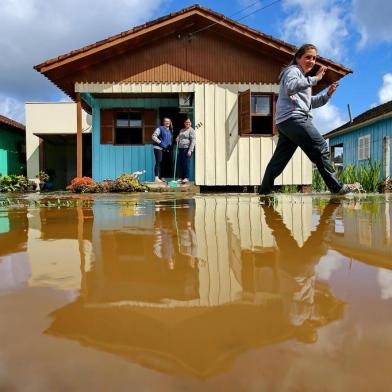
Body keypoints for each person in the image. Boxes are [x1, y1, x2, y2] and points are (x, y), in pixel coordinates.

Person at [259, 44, 360, 195]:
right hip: (294, 118)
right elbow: (290, 87)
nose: (311, 61)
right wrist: (316, 78)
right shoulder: (293, 71)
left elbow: (309, 103)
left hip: (286, 122)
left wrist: (327, 95)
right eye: (308, 57)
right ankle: (337, 187)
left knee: (279, 160)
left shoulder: (303, 77)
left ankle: (265, 191)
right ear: (298, 58)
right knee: (321, 147)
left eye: (314, 58)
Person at [152, 117, 173, 183]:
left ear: (170, 123)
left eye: (168, 121)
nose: (167, 123)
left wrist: (169, 146)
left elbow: (168, 140)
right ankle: (156, 178)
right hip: (158, 148)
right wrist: (160, 142)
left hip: (165, 149)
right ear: (163, 122)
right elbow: (153, 136)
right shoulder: (160, 128)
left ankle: (162, 177)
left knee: (164, 163)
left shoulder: (170, 131)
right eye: (166, 121)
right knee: (159, 161)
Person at [176, 118, 196, 184]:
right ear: (184, 123)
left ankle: (186, 177)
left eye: (189, 122)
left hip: (187, 148)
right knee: (179, 163)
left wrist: (190, 150)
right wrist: (177, 138)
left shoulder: (192, 130)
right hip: (180, 148)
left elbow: (193, 141)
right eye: (186, 122)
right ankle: (180, 177)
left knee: (186, 164)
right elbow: (179, 137)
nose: (188, 123)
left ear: (191, 123)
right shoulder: (182, 130)